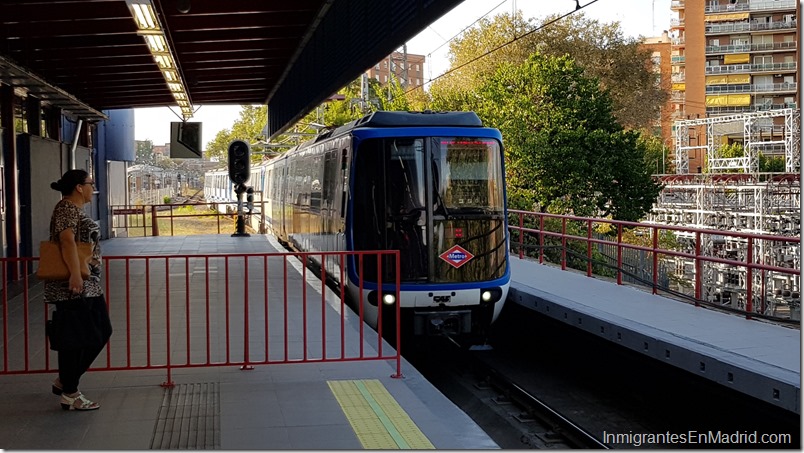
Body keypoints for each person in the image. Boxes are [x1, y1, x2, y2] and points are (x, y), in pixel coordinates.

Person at [44, 169, 112, 411]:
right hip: (74, 286)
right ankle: (70, 391)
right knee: (83, 336)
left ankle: (65, 381)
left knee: (95, 332)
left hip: (87, 284)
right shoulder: (66, 209)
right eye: (90, 184)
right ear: (78, 187)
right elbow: (66, 240)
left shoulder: (74, 210)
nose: (93, 188)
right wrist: (75, 275)